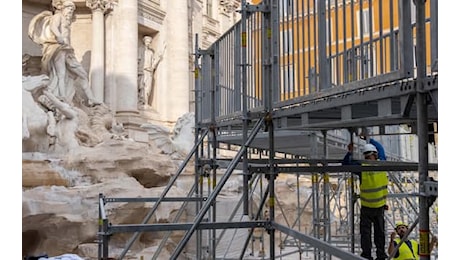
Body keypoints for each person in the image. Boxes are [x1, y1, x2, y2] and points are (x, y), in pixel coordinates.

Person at [28, 0, 100, 106]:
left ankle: (91, 98)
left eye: (72, 10)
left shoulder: (67, 21)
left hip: (68, 50)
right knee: (60, 74)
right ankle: (62, 97)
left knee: (82, 74)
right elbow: (53, 27)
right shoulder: (58, 16)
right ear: (63, 8)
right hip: (58, 48)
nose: (70, 12)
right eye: (69, 9)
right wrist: (59, 36)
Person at [343, 137, 389, 260]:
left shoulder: (362, 167)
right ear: (376, 154)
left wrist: (350, 152)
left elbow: (345, 165)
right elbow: (381, 148)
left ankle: (367, 256)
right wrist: (369, 139)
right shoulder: (382, 163)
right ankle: (380, 255)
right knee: (379, 233)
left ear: (365, 156)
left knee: (366, 233)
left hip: (367, 207)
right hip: (379, 206)